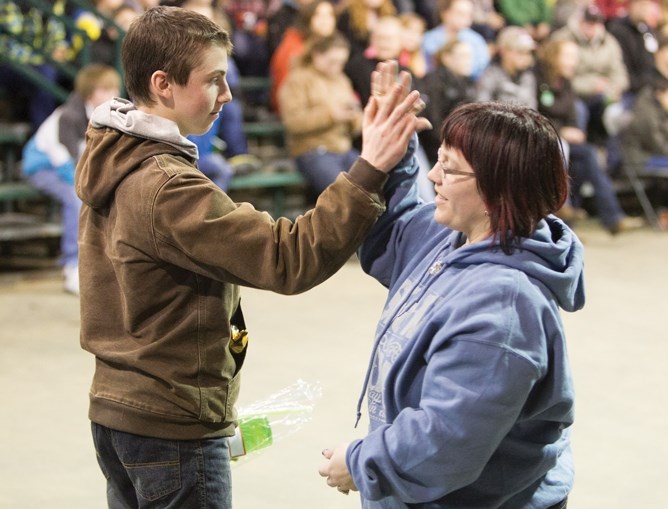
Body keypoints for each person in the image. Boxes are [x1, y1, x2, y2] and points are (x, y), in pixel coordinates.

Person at [75, 6, 427, 508]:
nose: (228, 95)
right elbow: (287, 257)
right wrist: (369, 169)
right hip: (170, 424)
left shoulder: (112, 154)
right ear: (163, 84)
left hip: (120, 413)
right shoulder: (166, 186)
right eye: (214, 80)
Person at [318, 100, 584, 509]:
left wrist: (359, 462)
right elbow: (393, 234)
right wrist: (393, 149)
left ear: (499, 189)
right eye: (436, 160)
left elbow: (446, 439)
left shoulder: (504, 308)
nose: (433, 175)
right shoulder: (454, 238)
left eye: (450, 168)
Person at [21, 63, 121, 295]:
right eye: (105, 89)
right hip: (43, 168)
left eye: (114, 88)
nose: (113, 95)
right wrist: (86, 187)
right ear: (89, 92)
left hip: (72, 169)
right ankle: (71, 266)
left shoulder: (107, 116)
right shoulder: (69, 116)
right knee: (76, 200)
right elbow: (64, 162)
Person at [536, 38, 643, 233]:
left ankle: (576, 224)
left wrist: (571, 129)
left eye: (575, 57)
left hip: (562, 141)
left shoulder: (565, 82)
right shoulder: (538, 78)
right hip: (540, 140)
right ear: (553, 57)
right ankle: (586, 216)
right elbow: (532, 113)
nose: (573, 62)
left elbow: (571, 114)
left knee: (586, 157)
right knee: (581, 156)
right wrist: (560, 130)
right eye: (568, 57)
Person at [278, 34, 364, 194]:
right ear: (316, 55)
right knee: (344, 196)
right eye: (332, 61)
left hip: (344, 148)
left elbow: (357, 124)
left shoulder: (342, 80)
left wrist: (355, 118)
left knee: (374, 187)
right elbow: (293, 122)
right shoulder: (297, 80)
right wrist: (331, 116)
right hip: (312, 150)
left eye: (341, 62)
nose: (336, 67)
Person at [269, 0, 337, 112]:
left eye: (330, 15)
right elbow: (286, 92)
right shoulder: (293, 47)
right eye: (319, 16)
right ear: (308, 19)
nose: (326, 21)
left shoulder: (332, 46)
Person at [419, 39, 476, 162]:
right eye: (463, 56)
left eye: (470, 56)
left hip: (457, 145)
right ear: (447, 58)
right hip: (436, 149)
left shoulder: (466, 82)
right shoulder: (433, 82)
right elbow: (433, 123)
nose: (468, 61)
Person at [421, 0, 490, 80]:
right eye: (460, 13)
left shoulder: (476, 40)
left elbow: (481, 68)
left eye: (469, 15)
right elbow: (425, 68)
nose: (465, 19)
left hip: (468, 85)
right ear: (445, 13)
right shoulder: (428, 39)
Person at [476, 25, 538, 108]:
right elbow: (481, 108)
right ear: (503, 51)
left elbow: (532, 109)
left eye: (528, 53)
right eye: (520, 52)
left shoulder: (528, 77)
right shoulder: (489, 76)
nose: (526, 57)